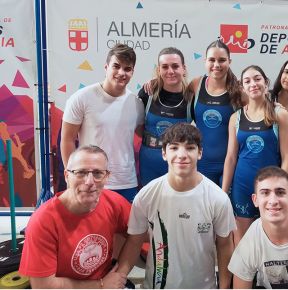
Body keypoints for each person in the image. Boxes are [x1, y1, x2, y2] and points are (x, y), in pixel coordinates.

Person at [117, 123, 236, 289]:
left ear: (200, 153)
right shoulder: (147, 195)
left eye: (190, 148)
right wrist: (118, 277)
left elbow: (225, 246)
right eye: (174, 148)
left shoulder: (218, 198)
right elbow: (134, 242)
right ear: (164, 153)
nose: (182, 155)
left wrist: (224, 288)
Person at [19, 145, 130, 289]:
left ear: (107, 177)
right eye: (81, 172)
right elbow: (42, 286)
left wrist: (119, 273)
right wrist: (101, 285)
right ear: (67, 176)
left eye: (97, 173)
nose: (89, 181)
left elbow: (138, 235)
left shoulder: (115, 202)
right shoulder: (43, 221)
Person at [60, 44, 144, 202]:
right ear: (106, 67)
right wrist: (72, 176)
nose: (121, 73)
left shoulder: (136, 104)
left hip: (127, 182)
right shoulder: (81, 98)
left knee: (125, 227)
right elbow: (67, 139)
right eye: (116, 66)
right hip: (91, 181)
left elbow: (145, 134)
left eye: (127, 69)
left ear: (132, 72)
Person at [222, 65, 288, 245]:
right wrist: (223, 192)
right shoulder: (235, 118)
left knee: (270, 237)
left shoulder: (279, 114)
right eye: (247, 81)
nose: (253, 84)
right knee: (241, 241)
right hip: (242, 185)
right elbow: (231, 157)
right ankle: (242, 274)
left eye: (257, 79)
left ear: (266, 82)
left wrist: (283, 188)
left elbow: (287, 157)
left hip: (270, 187)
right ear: (242, 87)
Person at [189, 40, 243, 186]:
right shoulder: (196, 84)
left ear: (229, 61)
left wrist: (275, 106)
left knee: (225, 208)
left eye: (222, 60)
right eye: (212, 60)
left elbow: (260, 108)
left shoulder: (239, 91)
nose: (216, 65)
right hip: (200, 165)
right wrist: (155, 83)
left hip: (230, 165)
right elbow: (172, 92)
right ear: (205, 61)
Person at [139, 47, 193, 186]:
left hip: (177, 164)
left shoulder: (192, 99)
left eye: (175, 66)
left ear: (184, 68)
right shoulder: (147, 93)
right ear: (158, 70)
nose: (170, 71)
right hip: (148, 164)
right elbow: (137, 128)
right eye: (165, 67)